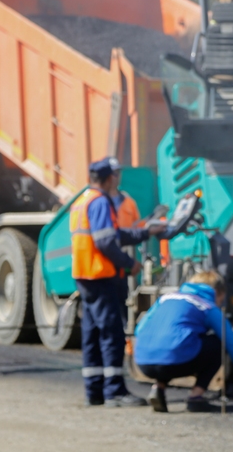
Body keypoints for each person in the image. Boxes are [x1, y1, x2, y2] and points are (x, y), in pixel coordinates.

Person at [71, 157, 166, 407]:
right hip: (102, 276)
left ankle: (94, 391)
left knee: (92, 334)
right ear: (110, 178)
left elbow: (113, 235)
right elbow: (106, 242)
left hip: (85, 275)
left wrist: (146, 232)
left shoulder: (82, 200)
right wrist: (129, 264)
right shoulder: (101, 201)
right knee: (112, 334)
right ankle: (115, 391)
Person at [134, 270, 233, 413]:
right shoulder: (207, 306)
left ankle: (158, 388)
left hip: (142, 362)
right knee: (218, 344)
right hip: (175, 360)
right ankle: (196, 397)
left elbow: (139, 329)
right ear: (218, 292)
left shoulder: (165, 298)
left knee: (173, 346)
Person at [104, 157, 142, 331]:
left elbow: (138, 229)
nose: (116, 177)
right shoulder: (99, 203)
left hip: (124, 256)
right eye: (113, 173)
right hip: (106, 259)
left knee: (123, 300)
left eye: (118, 173)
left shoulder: (128, 202)